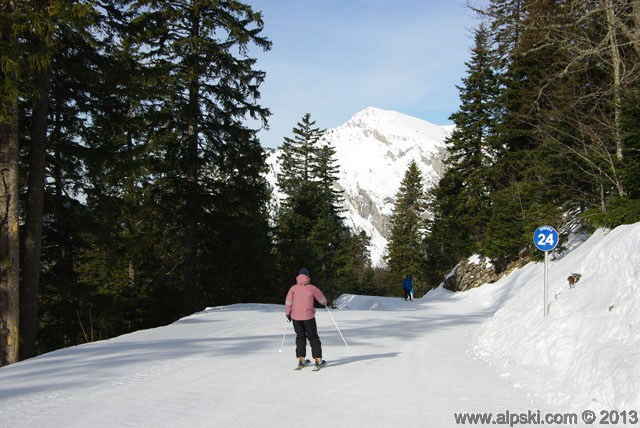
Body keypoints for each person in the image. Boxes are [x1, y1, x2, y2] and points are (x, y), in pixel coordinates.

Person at [285, 268, 328, 369]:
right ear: (308, 276)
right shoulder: (312, 288)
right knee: (313, 337)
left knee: (300, 337)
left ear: (298, 276)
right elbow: (322, 300)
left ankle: (301, 359)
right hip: (308, 317)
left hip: (296, 317)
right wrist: (325, 302)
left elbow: (288, 302)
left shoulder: (293, 288)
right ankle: (317, 360)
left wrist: (288, 314)